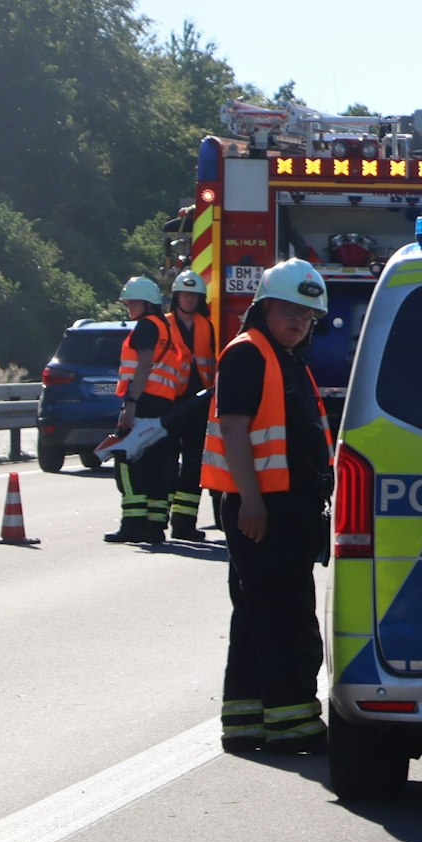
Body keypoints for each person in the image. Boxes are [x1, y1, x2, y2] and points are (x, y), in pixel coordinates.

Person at [203, 259, 334, 754]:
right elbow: (234, 429)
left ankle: (245, 722)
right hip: (265, 508)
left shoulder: (283, 357)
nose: (298, 321)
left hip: (285, 507)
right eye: (289, 310)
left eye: (307, 314)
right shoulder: (249, 355)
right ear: (264, 308)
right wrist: (251, 502)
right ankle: (291, 724)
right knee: (286, 617)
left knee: (258, 613)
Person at [104, 276, 187, 544]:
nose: (128, 306)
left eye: (131, 302)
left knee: (126, 461)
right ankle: (155, 527)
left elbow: (142, 367)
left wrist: (130, 404)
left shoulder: (145, 328)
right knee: (159, 468)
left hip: (143, 403)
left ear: (146, 303)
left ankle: (132, 524)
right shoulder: (168, 329)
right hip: (165, 407)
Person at [163, 270, 217, 541]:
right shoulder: (165, 324)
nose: (188, 299)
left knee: (194, 464)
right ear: (176, 297)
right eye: (184, 295)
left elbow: (212, 361)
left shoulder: (206, 326)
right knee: (168, 463)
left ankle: (184, 524)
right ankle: (160, 521)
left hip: (199, 402)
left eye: (193, 296)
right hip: (171, 402)